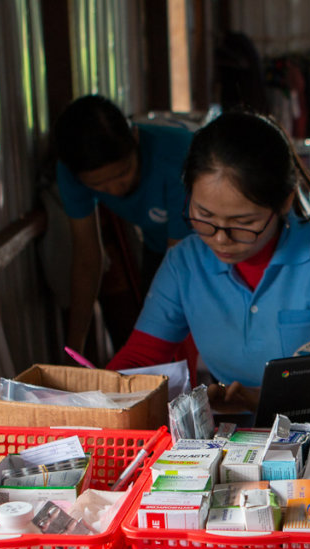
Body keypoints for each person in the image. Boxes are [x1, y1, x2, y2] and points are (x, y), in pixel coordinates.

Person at [107, 111, 310, 413]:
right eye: (204, 217)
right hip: (235, 436)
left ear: (284, 201)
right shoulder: (185, 263)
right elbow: (140, 359)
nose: (220, 239)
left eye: (242, 222)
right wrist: (89, 392)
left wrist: (266, 400)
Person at [54, 95, 195, 355]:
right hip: (158, 247)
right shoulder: (71, 172)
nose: (114, 189)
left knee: (192, 339)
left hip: (212, 252)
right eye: (99, 185)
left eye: (122, 174)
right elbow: (87, 258)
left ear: (136, 139)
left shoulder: (179, 157)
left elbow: (181, 263)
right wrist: (74, 350)